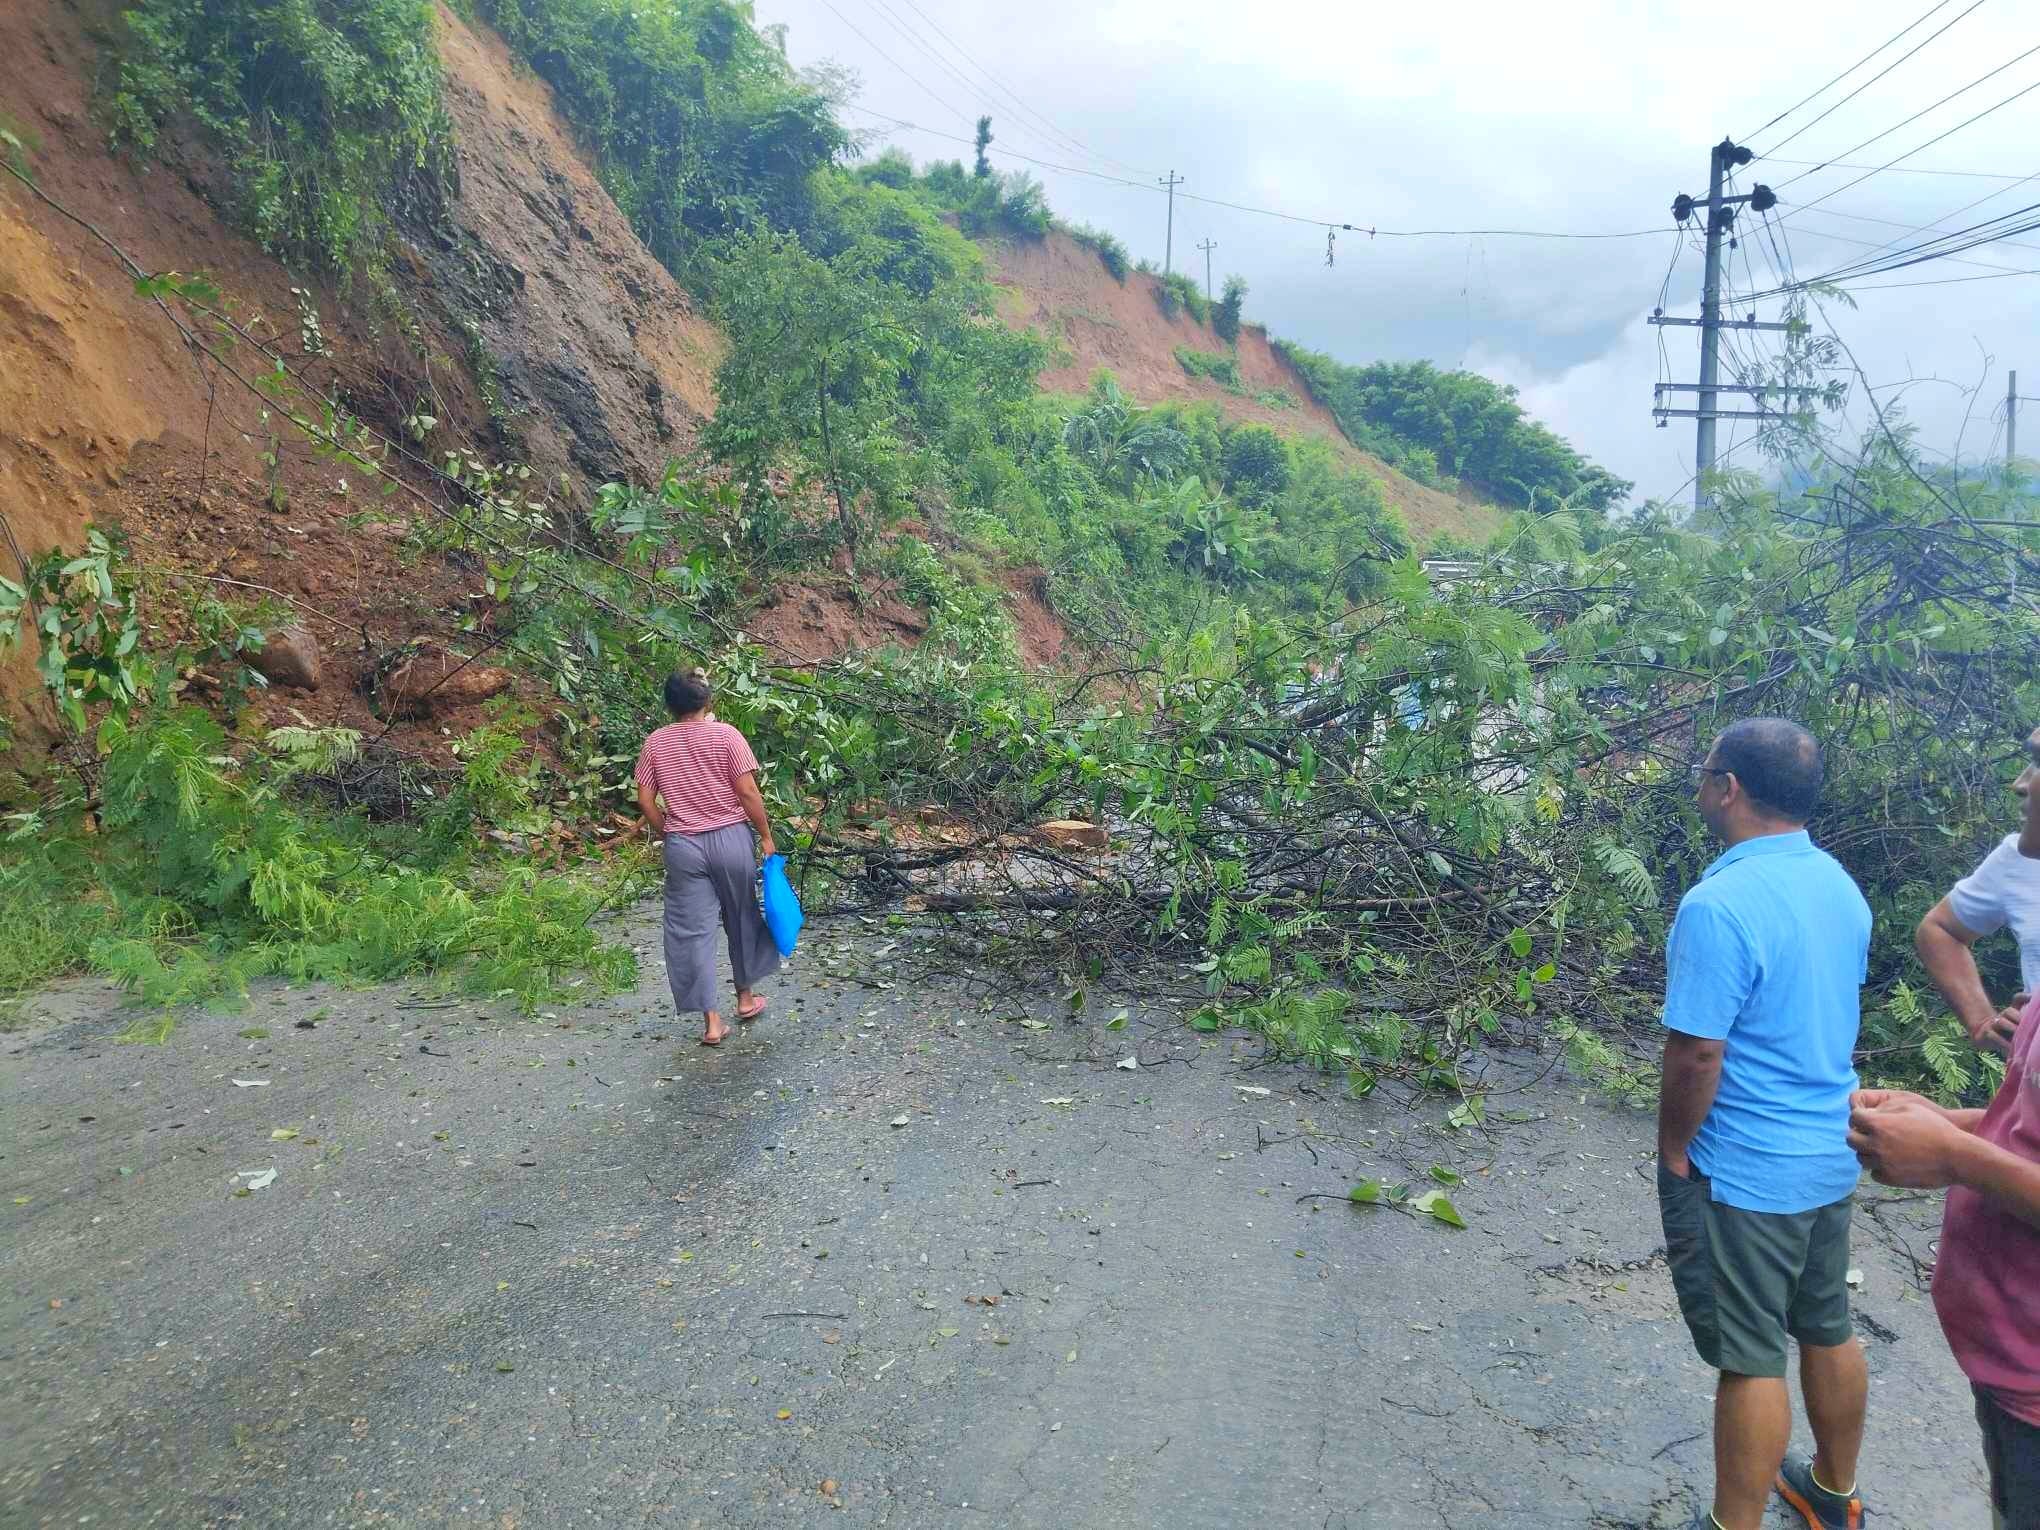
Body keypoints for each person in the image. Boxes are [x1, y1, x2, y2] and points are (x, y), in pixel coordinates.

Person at [1655, 718, 1874, 1530]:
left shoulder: (1720, 904)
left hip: (1749, 1172)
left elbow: (1696, 1056)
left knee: (1749, 1361)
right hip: (1826, 1154)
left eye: (1706, 771)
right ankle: (1833, 1491)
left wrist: (1675, 1147)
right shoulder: (1838, 885)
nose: (1703, 784)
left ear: (1730, 788)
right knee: (1826, 1324)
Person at [1852, 728, 2040, 1530]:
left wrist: (1957, 1153)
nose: (2023, 783)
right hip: (2013, 1359)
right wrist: (1953, 1116)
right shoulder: (2020, 867)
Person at [634, 670, 779, 1047]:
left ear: (669, 706)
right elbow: (747, 792)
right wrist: (765, 835)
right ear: (706, 702)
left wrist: (667, 830)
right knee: (742, 917)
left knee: (690, 932)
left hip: (684, 845)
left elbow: (646, 800)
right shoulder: (727, 735)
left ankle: (712, 1023)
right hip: (730, 839)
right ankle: (745, 999)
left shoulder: (655, 744)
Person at [1913, 723, 2040, 1057]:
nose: (2019, 784)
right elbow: (1939, 930)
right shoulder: (2016, 861)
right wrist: (1981, 1021)